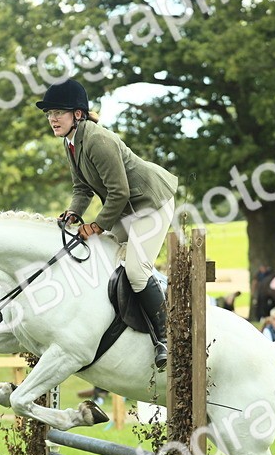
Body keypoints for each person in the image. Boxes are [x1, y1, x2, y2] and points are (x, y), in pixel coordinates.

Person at [38, 78, 178, 369]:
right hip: (126, 208)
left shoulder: (98, 140)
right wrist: (74, 214)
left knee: (137, 272)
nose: (52, 118)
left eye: (58, 112)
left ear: (77, 114)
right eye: (49, 113)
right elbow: (82, 189)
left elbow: (119, 192)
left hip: (151, 202)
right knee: (104, 258)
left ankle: (167, 336)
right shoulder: (71, 142)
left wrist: (97, 226)